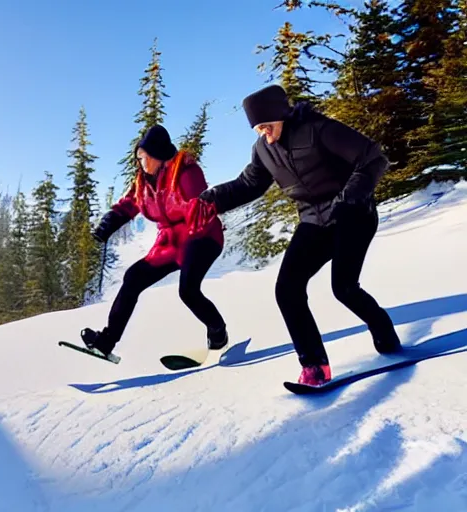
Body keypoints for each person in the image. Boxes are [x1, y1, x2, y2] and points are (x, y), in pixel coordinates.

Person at [189, 84, 401, 386]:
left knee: (344, 288)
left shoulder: (318, 129)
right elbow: (249, 184)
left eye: (265, 123)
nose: (262, 130)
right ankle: (314, 366)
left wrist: (352, 195)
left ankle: (384, 333)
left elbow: (373, 157)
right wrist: (211, 199)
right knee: (287, 289)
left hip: (353, 213)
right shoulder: (263, 149)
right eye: (256, 127)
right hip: (313, 221)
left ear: (281, 114)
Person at [83, 124, 228, 357]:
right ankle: (107, 341)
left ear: (158, 155)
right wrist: (108, 223)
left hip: (201, 235)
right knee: (133, 278)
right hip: (170, 242)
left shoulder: (186, 172)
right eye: (138, 158)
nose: (140, 163)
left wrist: (193, 241)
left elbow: (198, 204)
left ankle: (217, 329)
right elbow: (130, 204)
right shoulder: (144, 182)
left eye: (144, 157)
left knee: (188, 290)